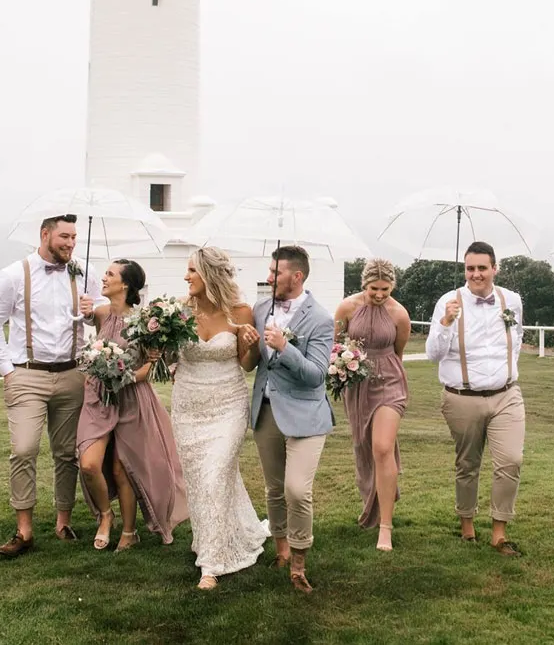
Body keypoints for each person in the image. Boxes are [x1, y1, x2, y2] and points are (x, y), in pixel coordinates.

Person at [0, 215, 95, 556]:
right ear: (44, 235)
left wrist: (91, 311)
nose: (71, 243)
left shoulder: (83, 272)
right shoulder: (13, 274)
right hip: (27, 374)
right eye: (64, 236)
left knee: (66, 453)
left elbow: (101, 313)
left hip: (72, 373)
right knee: (24, 449)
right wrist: (7, 370)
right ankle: (24, 530)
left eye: (74, 237)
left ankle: (63, 521)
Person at [170, 246, 269, 589]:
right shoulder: (179, 312)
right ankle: (217, 536)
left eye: (192, 271)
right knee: (201, 479)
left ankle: (210, 566)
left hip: (228, 403)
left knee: (215, 474)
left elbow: (247, 363)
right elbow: (170, 356)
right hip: (187, 406)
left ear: (209, 274)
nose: (186, 277)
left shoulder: (241, 311)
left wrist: (251, 342)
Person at [76, 259, 187, 551]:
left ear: (125, 284)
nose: (104, 277)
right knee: (89, 464)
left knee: (122, 468)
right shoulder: (101, 314)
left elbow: (150, 366)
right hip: (98, 397)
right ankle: (105, 514)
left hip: (131, 398)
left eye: (110, 274)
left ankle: (129, 530)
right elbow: (91, 333)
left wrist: (126, 377)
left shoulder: (143, 321)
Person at [425, 241, 525, 556]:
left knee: (511, 460)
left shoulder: (512, 300)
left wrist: (505, 370)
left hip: (506, 395)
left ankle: (499, 532)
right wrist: (445, 324)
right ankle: (467, 522)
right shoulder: (448, 302)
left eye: (482, 268)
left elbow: (517, 336)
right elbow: (432, 355)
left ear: (495, 268)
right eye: (470, 268)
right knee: (468, 463)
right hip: (461, 397)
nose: (476, 274)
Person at [250, 245, 335, 592]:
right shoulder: (259, 308)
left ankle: (300, 561)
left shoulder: (321, 319)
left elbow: (316, 374)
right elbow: (253, 361)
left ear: (296, 276)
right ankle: (281, 549)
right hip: (266, 410)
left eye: (276, 272)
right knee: (273, 489)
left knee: (297, 490)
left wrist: (286, 348)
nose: (269, 277)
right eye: (270, 270)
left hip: (306, 414)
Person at [334, 257, 410, 551]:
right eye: (373, 289)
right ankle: (373, 504)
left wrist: (387, 374)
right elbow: (336, 345)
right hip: (357, 384)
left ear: (392, 286)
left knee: (382, 447)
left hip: (390, 383)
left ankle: (385, 529)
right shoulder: (347, 308)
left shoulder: (399, 314)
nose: (379, 295)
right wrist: (343, 365)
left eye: (385, 289)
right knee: (365, 447)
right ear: (363, 284)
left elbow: (398, 353)